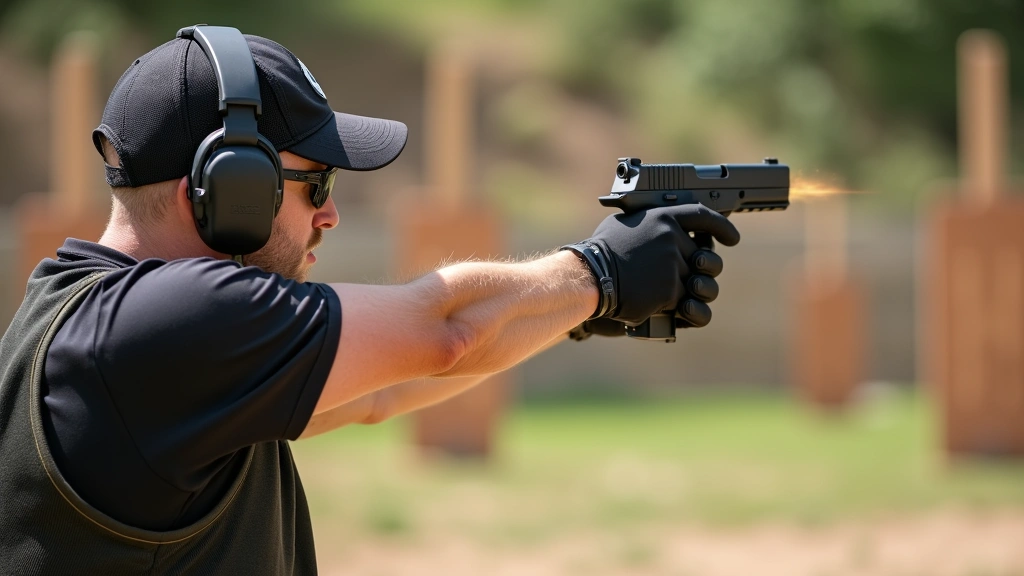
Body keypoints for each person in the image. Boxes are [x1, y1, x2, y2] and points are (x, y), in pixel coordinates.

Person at [0, 26, 739, 575]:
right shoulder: (163, 326)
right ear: (230, 187)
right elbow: (442, 332)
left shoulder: (95, 317)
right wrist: (597, 273)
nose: (330, 215)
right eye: (314, 184)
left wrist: (580, 304)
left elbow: (389, 388)